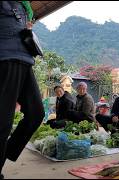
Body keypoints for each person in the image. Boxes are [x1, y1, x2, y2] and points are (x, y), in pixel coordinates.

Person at [0, 1, 44, 179]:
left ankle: (6, 152)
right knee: (3, 123)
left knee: (36, 113)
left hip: (26, 61)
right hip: (5, 59)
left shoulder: (23, 5)